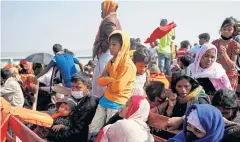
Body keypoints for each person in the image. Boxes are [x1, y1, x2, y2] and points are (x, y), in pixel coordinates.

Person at [89, 30, 136, 136]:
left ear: (122, 46)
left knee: (110, 133)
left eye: (114, 44)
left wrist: (108, 80)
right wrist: (111, 80)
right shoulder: (111, 61)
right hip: (105, 100)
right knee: (93, 129)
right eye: (110, 44)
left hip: (117, 104)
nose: (110, 47)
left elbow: (118, 87)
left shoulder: (128, 66)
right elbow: (100, 80)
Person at [47, 72, 99, 142]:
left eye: (78, 87)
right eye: (73, 86)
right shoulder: (72, 97)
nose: (74, 90)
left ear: (87, 87)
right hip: (61, 130)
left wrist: (51, 136)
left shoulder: (89, 104)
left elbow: (78, 130)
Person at [92, 0, 122, 98]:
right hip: (108, 54)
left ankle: (102, 103)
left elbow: (114, 37)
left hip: (106, 54)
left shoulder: (109, 20)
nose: (101, 12)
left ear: (108, 8)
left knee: (102, 83)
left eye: (102, 9)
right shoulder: (113, 19)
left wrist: (104, 45)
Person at [212, 17, 240, 90]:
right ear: (220, 30)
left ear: (233, 31)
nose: (226, 31)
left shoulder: (235, 45)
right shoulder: (214, 43)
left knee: (226, 99)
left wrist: (224, 54)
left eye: (229, 30)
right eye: (224, 29)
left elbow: (232, 66)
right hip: (216, 75)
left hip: (230, 77)